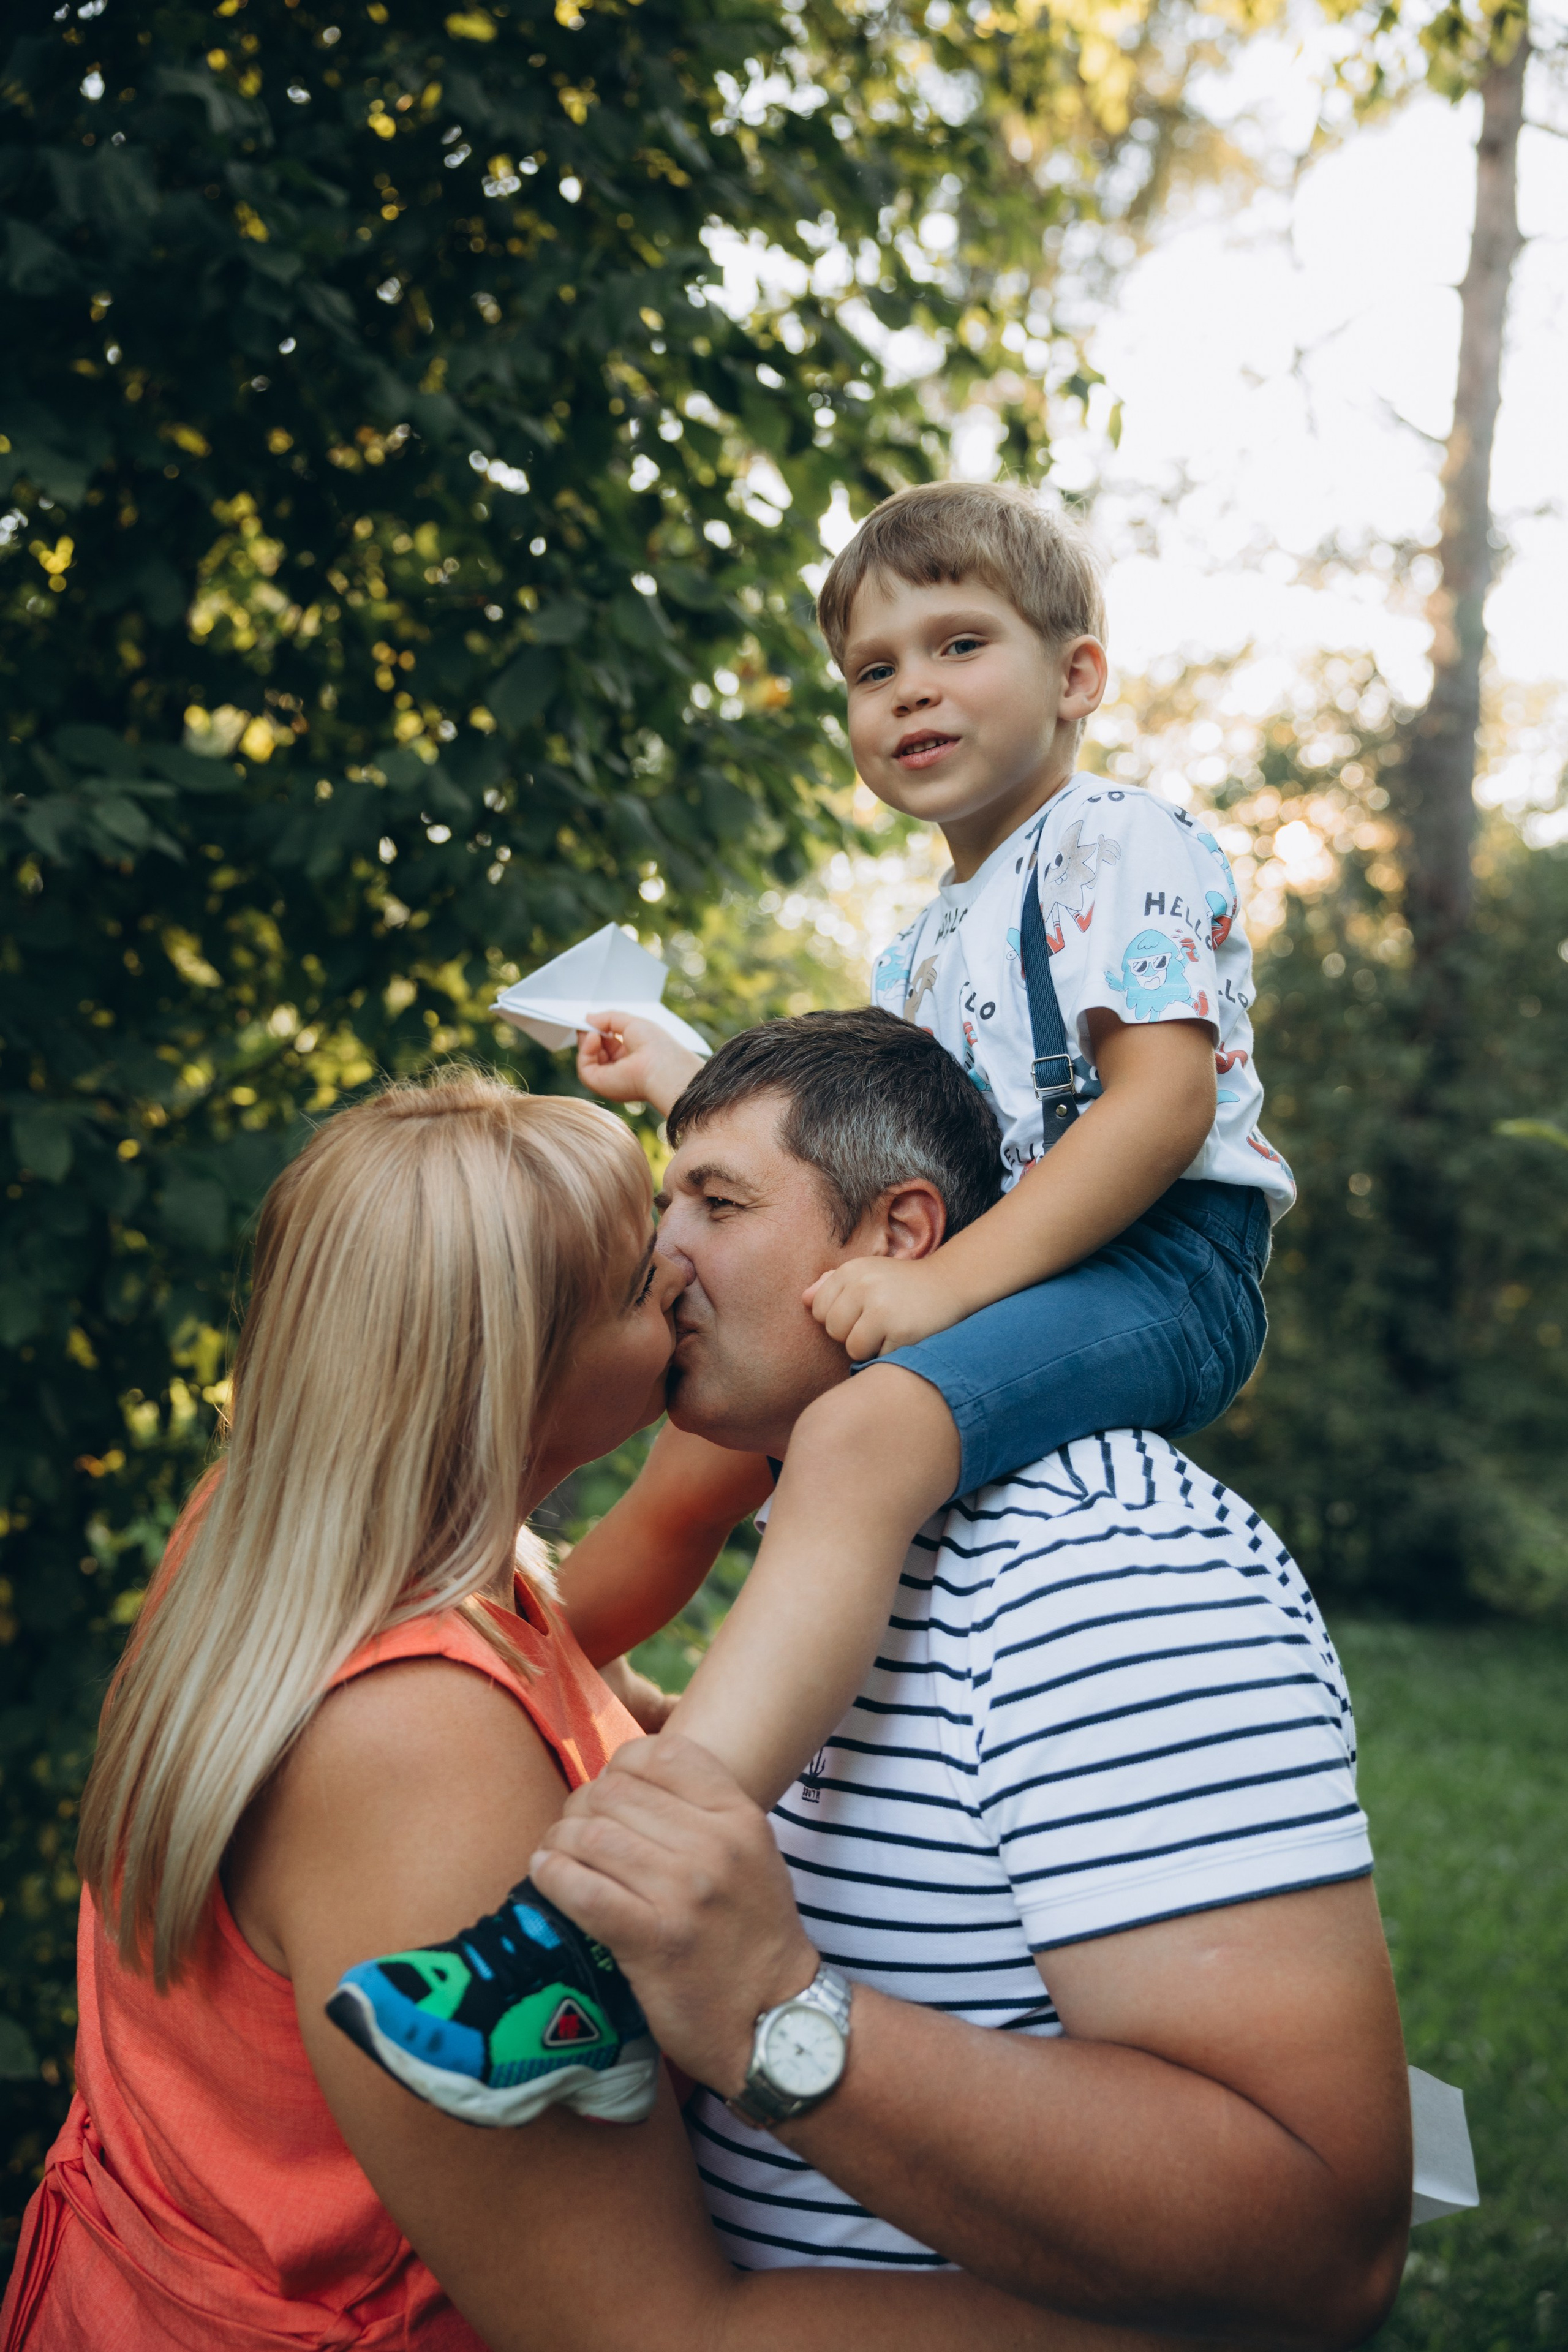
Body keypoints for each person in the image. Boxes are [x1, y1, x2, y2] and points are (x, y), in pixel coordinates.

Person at [339, 480, 1297, 2126]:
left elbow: (1154, 1113)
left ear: (1078, 675)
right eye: (873, 668)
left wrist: (938, 1290)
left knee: (853, 1432)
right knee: (749, 1440)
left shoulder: (1121, 842)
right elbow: (870, 1160)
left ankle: (584, 1941)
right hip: (999, 1266)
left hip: (1165, 1261)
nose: (912, 688)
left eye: (959, 643)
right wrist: (692, 1079)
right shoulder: (923, 944)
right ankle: (560, 1719)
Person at [1, 1069, 1140, 2352]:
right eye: (644, 1284)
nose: (684, 1277)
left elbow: (642, 1570)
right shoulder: (416, 1745)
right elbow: (650, 2332)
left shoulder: (284, 1536)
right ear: (520, 1375)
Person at [530, 1011, 1411, 2342]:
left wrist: (772, 2012)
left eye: (715, 1203)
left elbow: (1317, 2242)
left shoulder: (1107, 1568)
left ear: (899, 1235)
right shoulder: (837, 1545)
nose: (661, 1258)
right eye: (668, 1203)